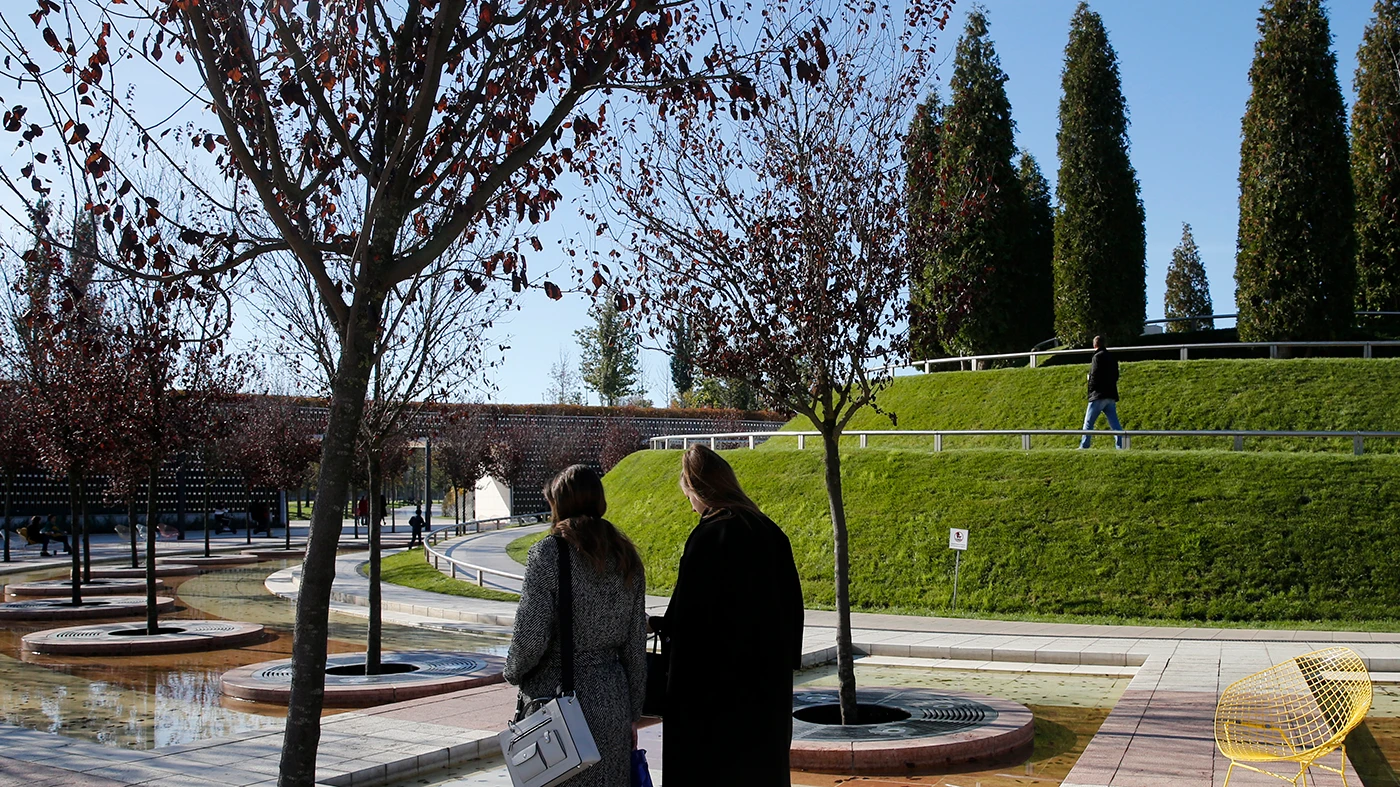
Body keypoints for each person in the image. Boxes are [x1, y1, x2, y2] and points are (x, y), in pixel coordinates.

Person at [652, 444, 804, 787]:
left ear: (695, 487)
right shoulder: (769, 530)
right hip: (766, 693)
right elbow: (793, 610)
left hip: (714, 700)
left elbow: (688, 621)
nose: (690, 506)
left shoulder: (709, 535)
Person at [504, 465, 647, 787]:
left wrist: (512, 670)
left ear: (559, 504)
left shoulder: (549, 553)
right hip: (612, 700)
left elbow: (530, 638)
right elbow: (635, 647)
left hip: (556, 705)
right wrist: (632, 712)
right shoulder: (626, 557)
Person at [1079, 335, 1125, 450]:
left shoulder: (1097, 357)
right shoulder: (1112, 357)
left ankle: (1084, 446)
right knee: (1114, 423)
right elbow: (1116, 376)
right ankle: (1120, 445)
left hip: (1098, 394)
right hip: (1111, 394)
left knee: (1088, 422)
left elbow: (1094, 375)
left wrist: (1090, 389)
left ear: (1094, 345)